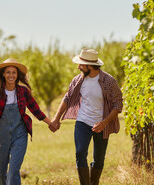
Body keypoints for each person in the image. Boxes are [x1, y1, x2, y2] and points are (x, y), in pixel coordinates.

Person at [51, 48, 123, 185]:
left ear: (90, 66)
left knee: (99, 158)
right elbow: (67, 98)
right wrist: (56, 119)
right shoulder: (78, 80)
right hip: (83, 122)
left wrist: (104, 122)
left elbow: (118, 105)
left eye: (81, 65)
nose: (78, 67)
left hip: (102, 125)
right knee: (80, 153)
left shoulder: (109, 81)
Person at [0, 58, 57, 185]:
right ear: (3, 75)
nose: (11, 75)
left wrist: (50, 123)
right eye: (8, 72)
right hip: (1, 135)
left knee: (13, 170)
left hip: (19, 134)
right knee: (1, 173)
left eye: (14, 72)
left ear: (17, 75)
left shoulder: (23, 91)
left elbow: (35, 109)